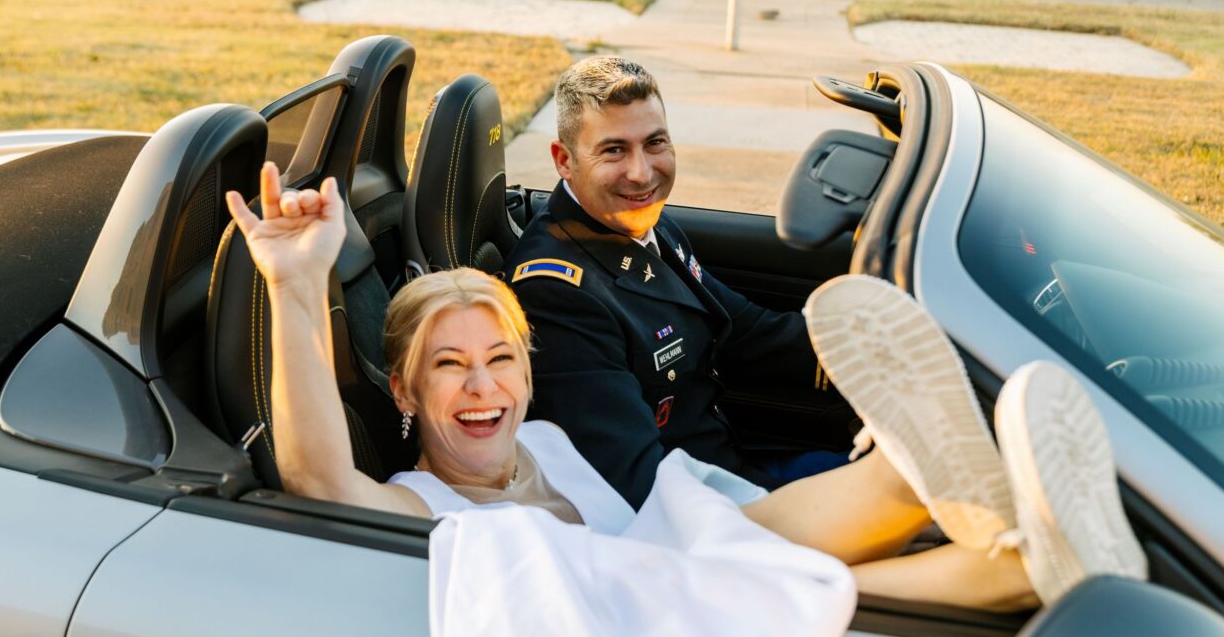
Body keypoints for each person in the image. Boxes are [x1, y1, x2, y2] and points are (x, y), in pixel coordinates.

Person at [224, 162, 1147, 610]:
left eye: (500, 359)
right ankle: (958, 504)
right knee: (763, 576)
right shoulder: (421, 503)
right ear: (406, 395)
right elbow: (317, 479)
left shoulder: (545, 442)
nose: (481, 387)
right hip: (651, 624)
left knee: (741, 541)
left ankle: (963, 509)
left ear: (526, 374)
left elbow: (675, 524)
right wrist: (295, 283)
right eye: (448, 367)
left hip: (696, 561)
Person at [502, 56, 846, 509]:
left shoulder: (643, 225)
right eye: (613, 150)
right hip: (711, 512)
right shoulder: (556, 293)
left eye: (655, 143)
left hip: (731, 464)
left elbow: (749, 331)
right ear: (564, 160)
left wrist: (873, 346)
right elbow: (637, 485)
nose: (642, 173)